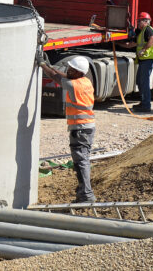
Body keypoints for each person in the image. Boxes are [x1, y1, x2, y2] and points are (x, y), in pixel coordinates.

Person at [39, 56, 97, 203]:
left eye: (72, 69)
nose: (69, 70)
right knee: (82, 159)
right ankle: (83, 191)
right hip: (87, 128)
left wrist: (43, 65)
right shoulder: (85, 81)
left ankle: (86, 194)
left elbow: (55, 77)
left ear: (78, 72)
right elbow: (64, 75)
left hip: (80, 128)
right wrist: (50, 65)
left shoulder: (74, 85)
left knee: (81, 161)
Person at [119, 12, 153, 112]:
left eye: (139, 21)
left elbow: (152, 39)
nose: (138, 23)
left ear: (146, 22)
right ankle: (143, 103)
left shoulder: (148, 29)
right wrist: (117, 43)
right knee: (140, 81)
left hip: (148, 59)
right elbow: (131, 44)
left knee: (143, 82)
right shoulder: (141, 32)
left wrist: (143, 50)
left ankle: (146, 105)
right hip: (144, 60)